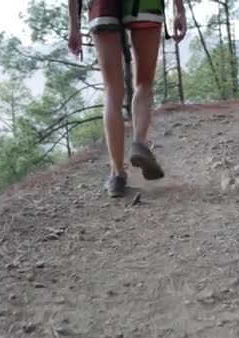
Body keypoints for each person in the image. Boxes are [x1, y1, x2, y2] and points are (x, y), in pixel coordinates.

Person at [68, 0, 186, 198]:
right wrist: (179, 9)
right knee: (144, 82)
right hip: (144, 4)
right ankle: (139, 143)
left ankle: (117, 175)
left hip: (102, 5)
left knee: (112, 91)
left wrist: (74, 26)